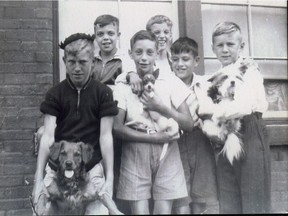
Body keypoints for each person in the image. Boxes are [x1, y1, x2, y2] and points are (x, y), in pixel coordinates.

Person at [32, 33, 118, 215]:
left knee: (100, 212)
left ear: (93, 62)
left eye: (83, 62)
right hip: (58, 167)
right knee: (42, 209)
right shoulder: (56, 93)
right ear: (64, 61)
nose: (77, 68)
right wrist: (38, 179)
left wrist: (109, 178)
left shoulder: (103, 93)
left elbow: (106, 137)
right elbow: (47, 136)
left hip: (90, 167)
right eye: (72, 62)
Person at [113, 30, 194, 214]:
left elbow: (188, 124)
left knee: (164, 209)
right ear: (130, 53)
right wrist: (155, 138)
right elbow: (117, 128)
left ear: (157, 53)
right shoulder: (123, 84)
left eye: (150, 52)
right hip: (135, 147)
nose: (144, 58)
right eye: (138, 52)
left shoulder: (170, 81)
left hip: (168, 149)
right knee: (139, 210)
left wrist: (161, 107)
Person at [198, 22, 271, 214]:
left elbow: (242, 106)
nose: (224, 49)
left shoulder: (249, 70)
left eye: (230, 44)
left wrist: (212, 114)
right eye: (219, 45)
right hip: (224, 135)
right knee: (228, 194)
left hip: (249, 130)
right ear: (212, 48)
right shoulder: (214, 77)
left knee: (254, 195)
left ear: (241, 46)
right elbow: (202, 103)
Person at [170, 37, 219, 214]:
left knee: (201, 194)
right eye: (175, 59)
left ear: (196, 61)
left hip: (201, 142)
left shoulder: (206, 83)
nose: (180, 64)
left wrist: (206, 118)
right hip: (175, 141)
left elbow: (219, 106)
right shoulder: (166, 84)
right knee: (180, 197)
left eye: (185, 59)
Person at [115, 15, 174, 95]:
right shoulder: (141, 61)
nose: (162, 36)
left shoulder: (174, 60)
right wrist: (129, 75)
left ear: (170, 35)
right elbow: (119, 79)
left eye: (166, 32)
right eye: (157, 32)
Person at [92, 14, 129, 90]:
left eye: (110, 33)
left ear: (118, 36)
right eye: (100, 34)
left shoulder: (124, 60)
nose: (105, 38)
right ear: (95, 37)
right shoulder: (92, 59)